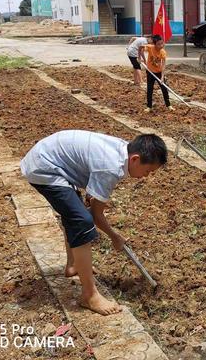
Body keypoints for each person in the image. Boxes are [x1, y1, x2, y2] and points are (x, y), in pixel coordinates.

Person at [21, 130, 168, 316]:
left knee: (75, 212)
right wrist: (115, 236)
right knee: (81, 221)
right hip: (45, 166)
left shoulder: (122, 151)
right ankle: (89, 295)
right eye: (148, 171)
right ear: (135, 159)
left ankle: (73, 265)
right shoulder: (110, 167)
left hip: (52, 158)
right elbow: (95, 216)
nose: (146, 176)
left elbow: (94, 203)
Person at [139, 34, 173, 113]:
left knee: (164, 89)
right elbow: (140, 48)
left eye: (162, 43)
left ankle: (168, 105)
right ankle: (149, 106)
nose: (161, 45)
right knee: (149, 89)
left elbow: (164, 65)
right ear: (154, 44)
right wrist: (140, 57)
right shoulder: (150, 47)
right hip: (150, 72)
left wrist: (162, 77)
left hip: (159, 72)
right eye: (158, 44)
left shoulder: (163, 52)